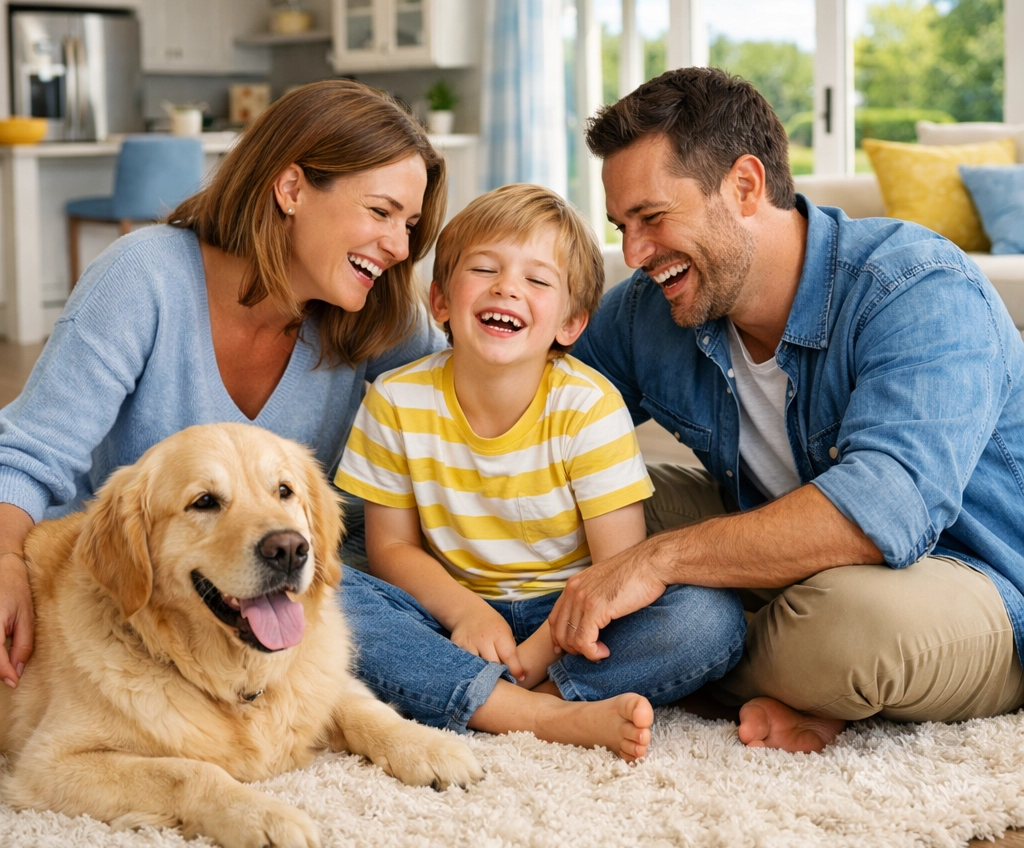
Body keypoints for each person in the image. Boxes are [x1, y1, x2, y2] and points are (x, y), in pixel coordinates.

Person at [546, 65, 1024, 754]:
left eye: (652, 218)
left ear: (745, 185)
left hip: (970, 582)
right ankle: (754, 669)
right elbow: (538, 408)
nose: (635, 253)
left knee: (847, 633)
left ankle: (697, 655)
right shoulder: (654, 308)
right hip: (786, 563)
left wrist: (659, 564)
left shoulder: (916, 285)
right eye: (622, 226)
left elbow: (880, 512)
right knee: (577, 509)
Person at [0, 79, 449, 691]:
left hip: (283, 581)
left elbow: (468, 393)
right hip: (144, 599)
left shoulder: (377, 310)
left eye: (410, 224)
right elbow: (27, 455)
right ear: (291, 188)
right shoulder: (144, 277)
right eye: (381, 212)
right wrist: (3, 563)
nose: (399, 247)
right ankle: (509, 704)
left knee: (367, 600)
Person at [334, 184, 746, 761]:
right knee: (327, 591)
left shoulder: (589, 406)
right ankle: (542, 715)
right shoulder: (396, 400)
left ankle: (499, 696)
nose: (507, 287)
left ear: (572, 323)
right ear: (441, 301)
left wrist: (541, 650)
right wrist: (467, 613)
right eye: (484, 268)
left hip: (571, 615)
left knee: (709, 620)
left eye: (538, 279)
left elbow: (614, 572)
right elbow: (392, 550)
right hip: (444, 610)